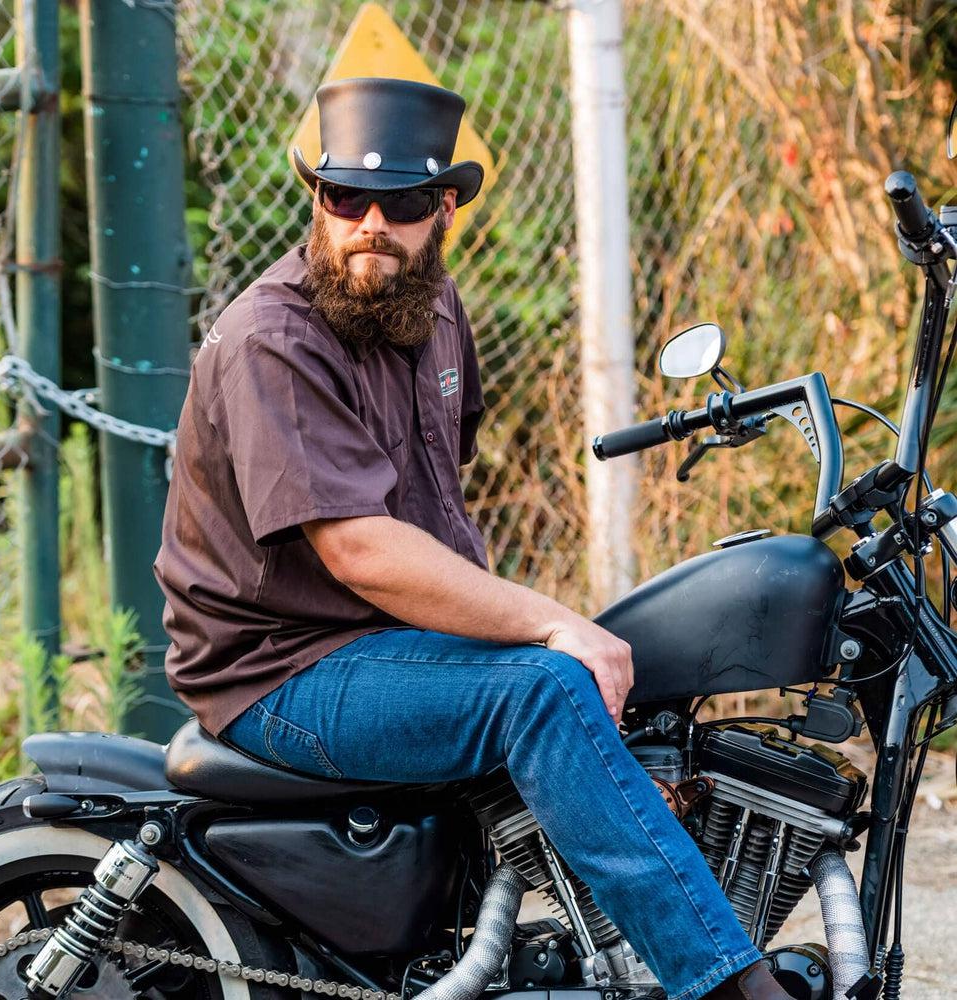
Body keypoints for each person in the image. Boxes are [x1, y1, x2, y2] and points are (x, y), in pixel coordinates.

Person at [154, 77, 793, 1000]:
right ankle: (731, 987)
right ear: (317, 201)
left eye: (403, 201)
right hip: (280, 668)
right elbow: (362, 550)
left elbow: (439, 507)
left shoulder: (434, 308)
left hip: (378, 642)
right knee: (545, 688)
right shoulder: (273, 338)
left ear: (442, 206)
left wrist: (542, 628)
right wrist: (549, 623)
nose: (371, 223)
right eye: (344, 197)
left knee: (634, 671)